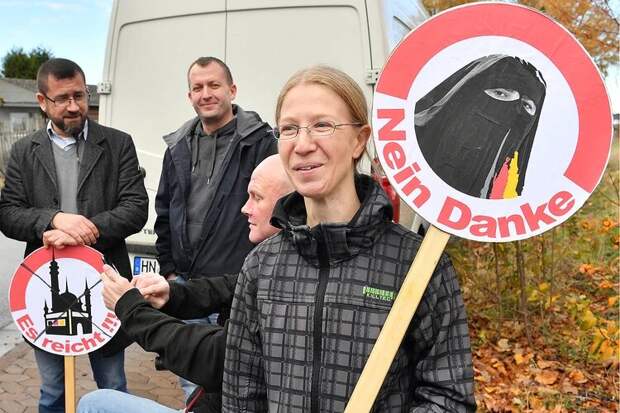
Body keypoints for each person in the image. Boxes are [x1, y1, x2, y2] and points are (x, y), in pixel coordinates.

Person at [222, 66, 477, 412]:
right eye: (289, 129)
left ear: (359, 140)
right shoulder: (261, 267)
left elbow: (448, 397)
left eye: (322, 125)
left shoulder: (416, 265)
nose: (302, 144)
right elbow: (241, 396)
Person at [76, 155, 293, 413]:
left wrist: (129, 307)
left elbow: (211, 355)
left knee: (95, 404)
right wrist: (171, 293)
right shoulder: (278, 259)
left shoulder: (290, 277)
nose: (244, 208)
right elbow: (227, 288)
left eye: (256, 197)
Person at [0, 58, 148, 413]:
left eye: (79, 95)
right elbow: (8, 214)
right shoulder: (23, 152)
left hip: (104, 285)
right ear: (42, 101)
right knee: (52, 392)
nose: (73, 106)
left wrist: (84, 230)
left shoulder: (117, 144)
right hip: (44, 292)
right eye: (62, 98)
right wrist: (53, 219)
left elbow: (135, 207)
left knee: (113, 386)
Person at [154, 55, 276, 396]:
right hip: (186, 286)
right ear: (189, 95)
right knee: (191, 378)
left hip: (236, 289)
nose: (206, 93)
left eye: (214, 85)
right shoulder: (176, 147)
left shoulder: (260, 143)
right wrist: (168, 271)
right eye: (197, 87)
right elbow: (164, 211)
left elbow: (274, 214)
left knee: (240, 381)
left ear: (232, 90)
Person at [414, 54, 546, 199]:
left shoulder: (505, 197)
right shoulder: (410, 149)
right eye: (500, 93)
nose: (514, 112)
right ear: (466, 93)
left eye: (527, 106)